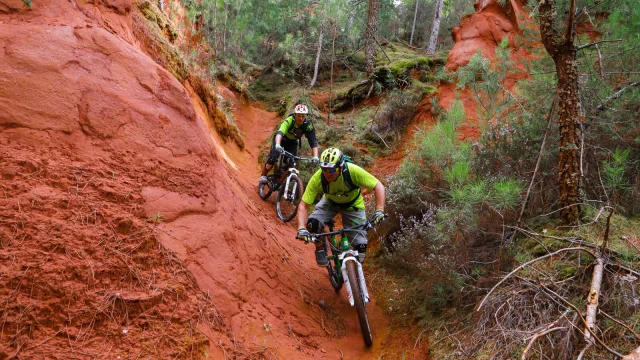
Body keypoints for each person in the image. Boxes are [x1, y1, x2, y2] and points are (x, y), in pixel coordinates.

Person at [295, 147, 386, 266]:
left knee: (361, 247)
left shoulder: (353, 171)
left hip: (353, 205)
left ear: (341, 167)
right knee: (313, 224)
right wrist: (301, 228)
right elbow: (304, 205)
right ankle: (320, 248)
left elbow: (378, 186)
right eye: (324, 169)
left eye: (331, 170)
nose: (327, 173)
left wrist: (379, 211)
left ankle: (355, 276)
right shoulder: (318, 178)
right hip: (330, 202)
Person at [259, 104, 319, 184]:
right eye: (299, 116)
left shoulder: (307, 125)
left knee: (291, 162)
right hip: (281, 140)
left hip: (292, 142)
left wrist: (315, 156)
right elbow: (280, 132)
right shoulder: (289, 120)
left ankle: (282, 179)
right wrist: (277, 144)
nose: (301, 118)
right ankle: (264, 175)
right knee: (273, 157)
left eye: (303, 116)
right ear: (295, 115)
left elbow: (313, 141)